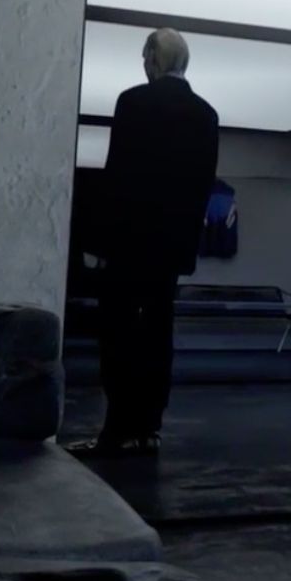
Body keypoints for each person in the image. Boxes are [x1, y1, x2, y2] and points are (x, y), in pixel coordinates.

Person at [67, 28, 219, 458]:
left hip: (130, 243)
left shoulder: (133, 102)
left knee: (117, 333)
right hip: (170, 249)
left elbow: (119, 176)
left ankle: (117, 429)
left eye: (144, 56)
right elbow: (201, 187)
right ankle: (149, 428)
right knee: (157, 332)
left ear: (154, 57)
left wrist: (101, 241)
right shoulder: (206, 114)